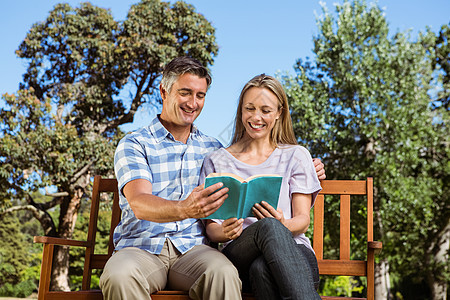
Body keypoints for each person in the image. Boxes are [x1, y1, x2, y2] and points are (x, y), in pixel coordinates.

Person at [100, 57, 325, 300]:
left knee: (226, 272)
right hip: (141, 247)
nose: (192, 103)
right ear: (164, 92)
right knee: (119, 275)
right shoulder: (135, 144)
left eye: (200, 95)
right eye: (185, 93)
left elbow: (295, 208)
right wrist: (186, 209)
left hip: (193, 251)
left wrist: (312, 167)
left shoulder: (211, 148)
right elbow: (140, 202)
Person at [200, 74, 322, 300]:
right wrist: (224, 231)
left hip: (296, 256)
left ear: (279, 113)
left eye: (265, 110)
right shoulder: (217, 161)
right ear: (241, 111)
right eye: (250, 109)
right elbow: (211, 229)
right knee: (268, 227)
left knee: (262, 267)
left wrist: (283, 224)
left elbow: (303, 220)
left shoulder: (296, 155)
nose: (256, 117)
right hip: (239, 255)